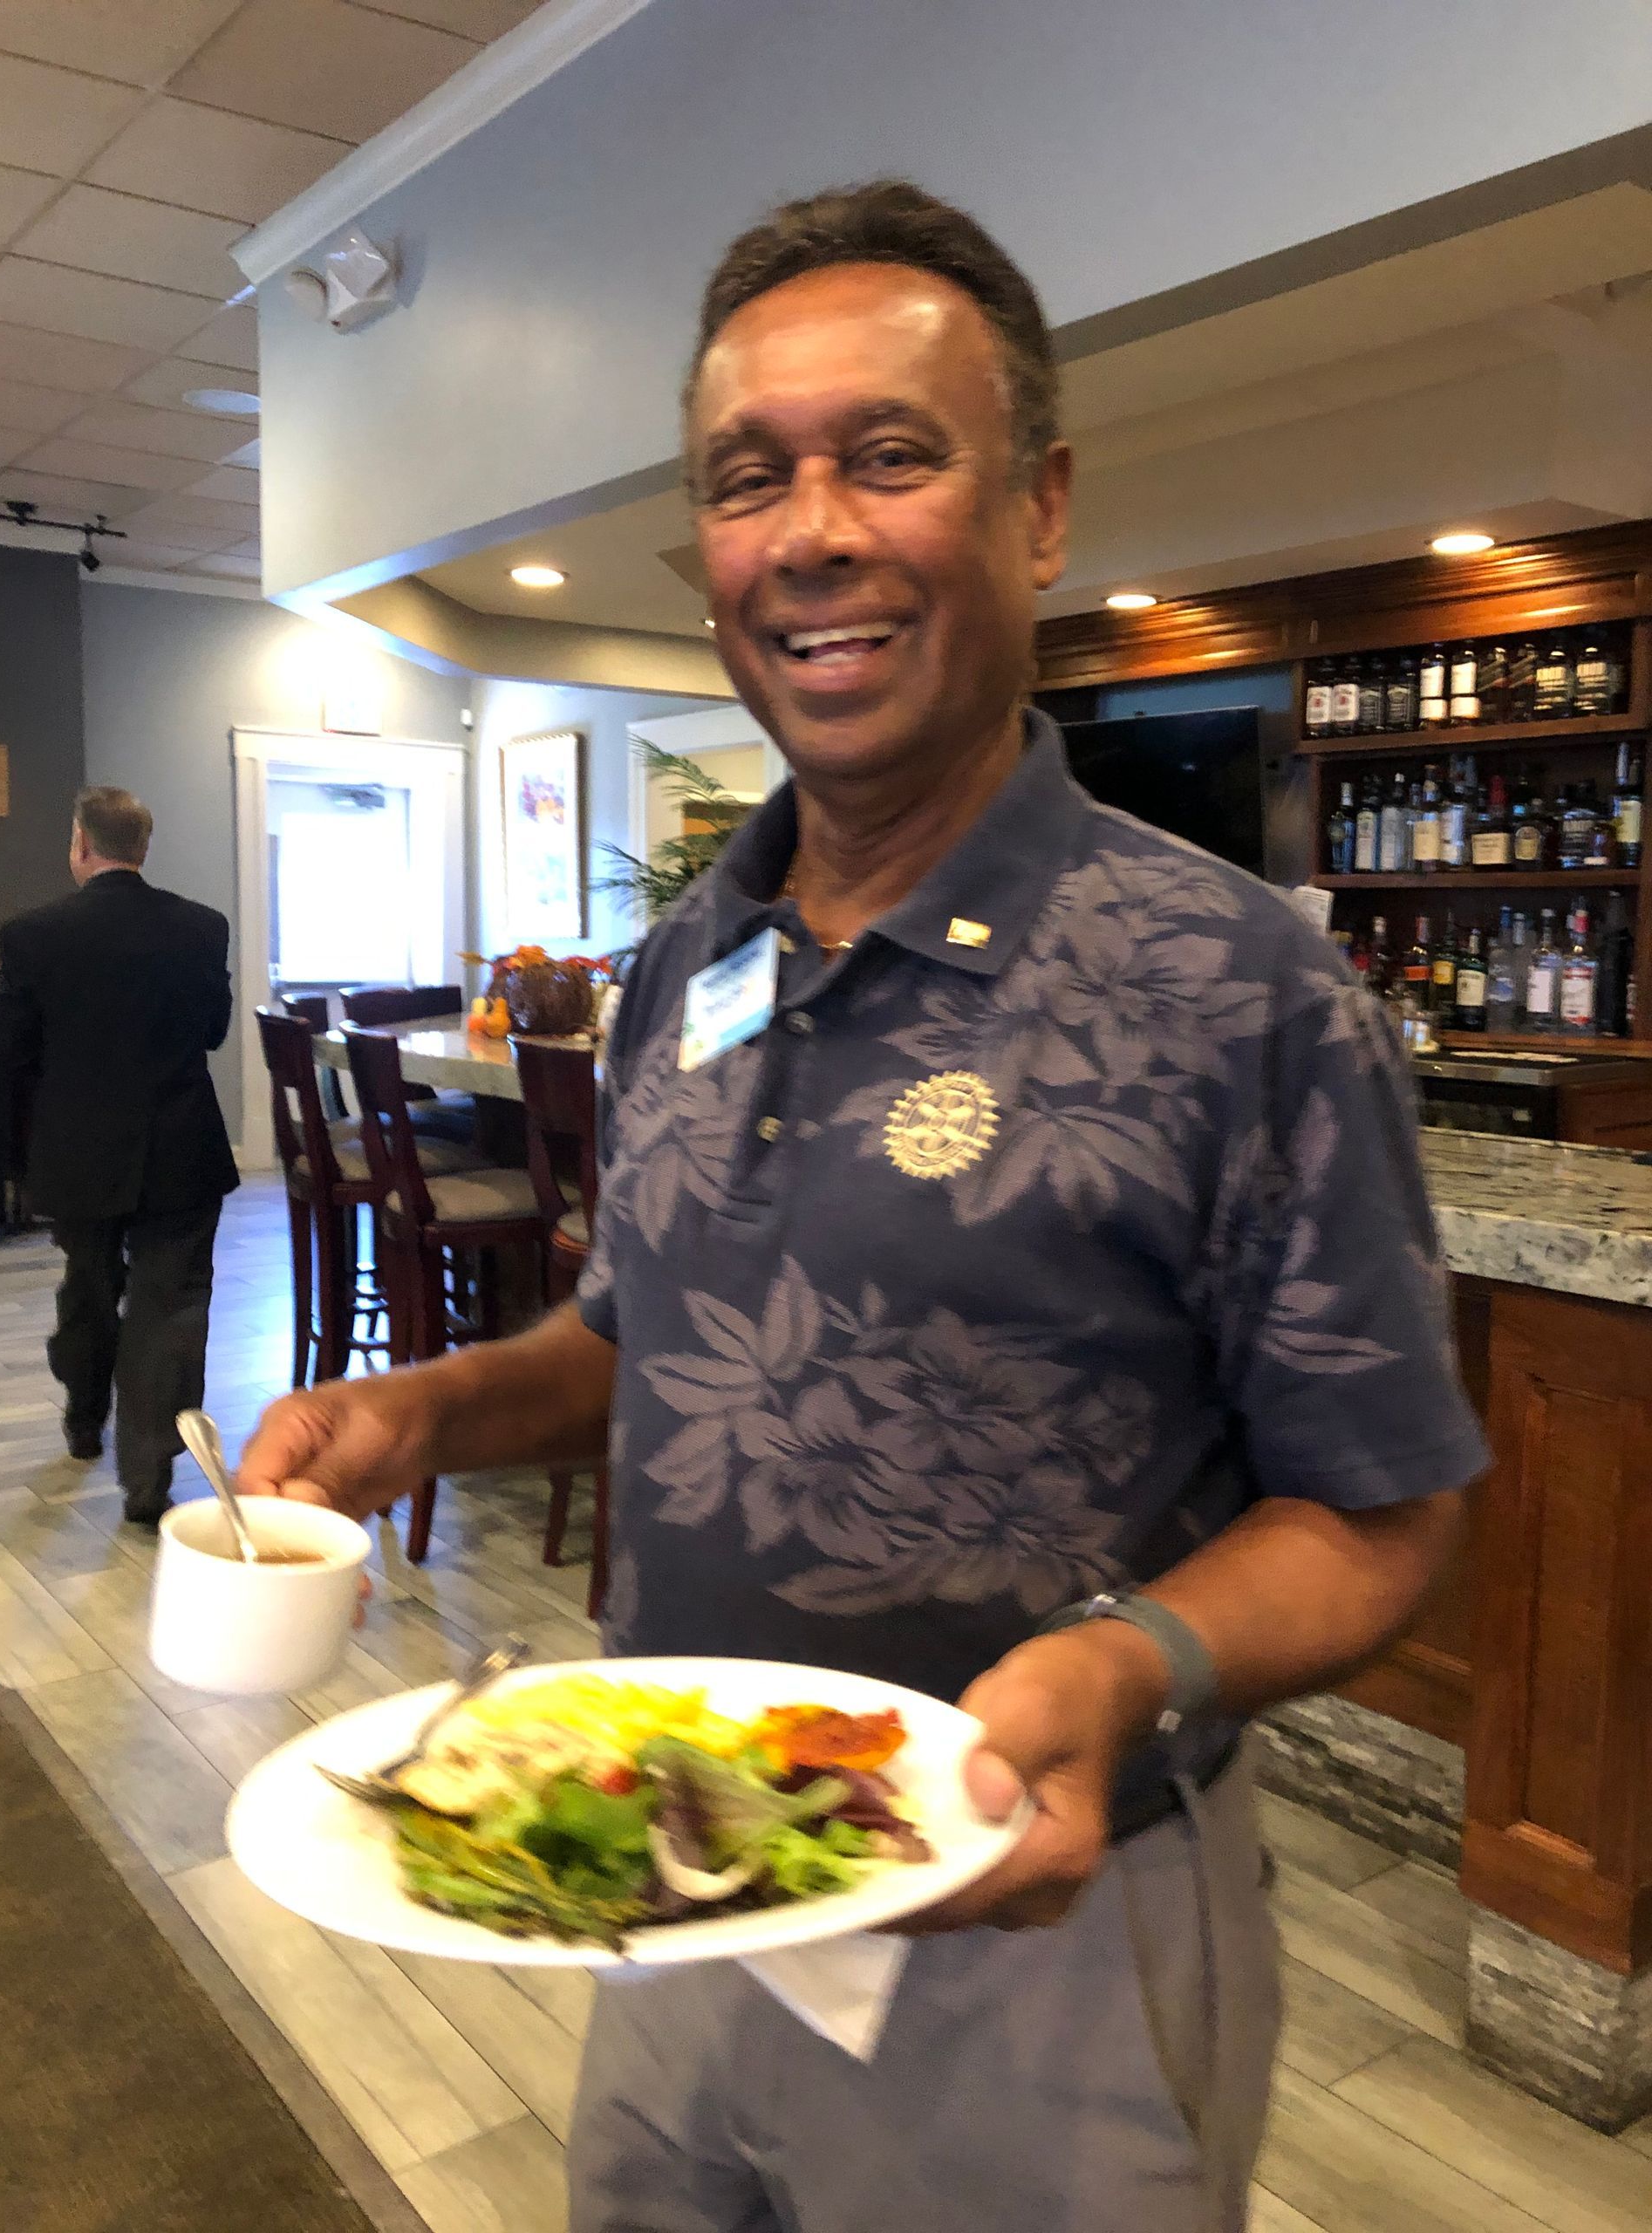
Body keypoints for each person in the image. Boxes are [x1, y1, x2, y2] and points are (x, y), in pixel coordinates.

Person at [240, 182, 1487, 2231]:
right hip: (674, 1881)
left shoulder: (1242, 988)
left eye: (890, 455)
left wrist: (1127, 1661)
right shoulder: (681, 968)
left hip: (1039, 1950)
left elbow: (1388, 1505)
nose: (811, 527)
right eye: (750, 477)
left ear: (1040, 507)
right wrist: (436, 1410)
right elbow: (643, 1332)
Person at [0, 786, 238, 1524]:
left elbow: (11, 1052)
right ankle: (148, 1483)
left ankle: (82, 1420)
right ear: (142, 848)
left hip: (79, 1152)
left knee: (90, 1288)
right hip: (181, 1147)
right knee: (173, 1308)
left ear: (80, 845)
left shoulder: (31, 934)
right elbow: (214, 1029)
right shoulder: (202, 927)